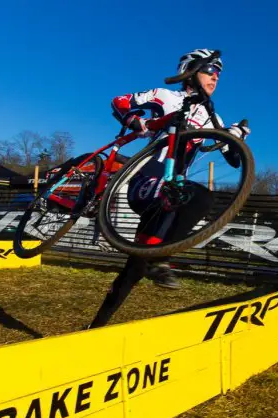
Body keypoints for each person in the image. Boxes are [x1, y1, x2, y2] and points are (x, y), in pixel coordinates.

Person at [88, 49, 249, 329]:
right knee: (199, 195)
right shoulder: (166, 96)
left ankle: (95, 327)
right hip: (146, 182)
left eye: (219, 74)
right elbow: (120, 101)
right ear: (191, 70)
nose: (216, 78)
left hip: (172, 194)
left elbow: (234, 161)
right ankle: (162, 259)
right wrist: (134, 121)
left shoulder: (214, 119)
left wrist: (237, 137)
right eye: (210, 71)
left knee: (136, 266)